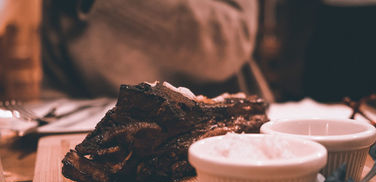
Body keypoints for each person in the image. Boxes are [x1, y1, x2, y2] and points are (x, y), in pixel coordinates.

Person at [41, 0, 274, 101]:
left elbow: (230, 43)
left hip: (234, 133)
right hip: (106, 141)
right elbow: (55, 90)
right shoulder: (58, 7)